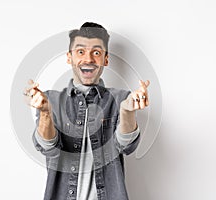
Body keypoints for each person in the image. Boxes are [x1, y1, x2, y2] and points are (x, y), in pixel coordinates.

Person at [24, 22, 150, 200]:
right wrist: (45, 113)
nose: (89, 59)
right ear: (70, 58)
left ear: (105, 59)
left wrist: (127, 112)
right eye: (80, 51)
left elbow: (126, 145)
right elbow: (48, 147)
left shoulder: (122, 99)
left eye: (96, 52)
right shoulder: (50, 100)